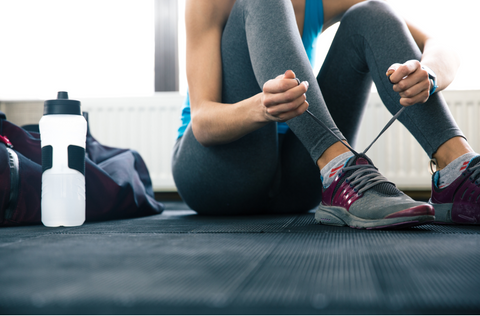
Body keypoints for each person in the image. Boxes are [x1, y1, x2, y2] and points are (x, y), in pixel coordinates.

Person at [172, 0, 480, 229]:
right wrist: (260, 108)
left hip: (298, 182)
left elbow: (439, 45)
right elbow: (203, 123)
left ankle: (458, 172)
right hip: (215, 174)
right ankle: (338, 168)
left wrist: (429, 73)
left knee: (372, 12)